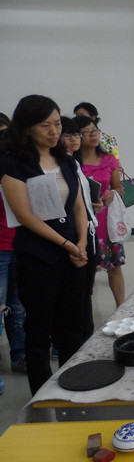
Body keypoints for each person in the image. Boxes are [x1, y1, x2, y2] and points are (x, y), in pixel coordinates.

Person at [0, 95, 88, 394]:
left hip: (73, 255)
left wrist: (81, 243)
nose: (54, 131)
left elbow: (78, 205)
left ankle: (72, 388)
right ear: (27, 128)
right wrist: (67, 244)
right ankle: (42, 395)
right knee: (39, 329)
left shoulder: (67, 160)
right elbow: (25, 216)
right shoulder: (14, 164)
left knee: (72, 327)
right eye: (45, 125)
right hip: (38, 258)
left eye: (57, 124)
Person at [74, 115, 125, 306]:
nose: (92, 135)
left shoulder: (109, 160)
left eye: (94, 130)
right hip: (83, 223)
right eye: (86, 132)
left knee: (114, 268)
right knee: (85, 272)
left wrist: (112, 194)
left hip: (106, 222)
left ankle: (121, 308)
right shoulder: (72, 163)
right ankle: (84, 311)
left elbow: (118, 188)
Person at [59, 117, 102, 340]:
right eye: (67, 134)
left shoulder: (74, 162)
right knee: (75, 292)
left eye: (76, 134)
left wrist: (94, 205)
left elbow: (80, 200)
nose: (74, 139)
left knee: (86, 290)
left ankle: (87, 336)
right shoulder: (58, 165)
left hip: (89, 231)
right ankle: (75, 340)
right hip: (74, 234)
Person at [0, 114, 27, 396]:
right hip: (0, 251)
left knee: (18, 307)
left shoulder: (18, 169)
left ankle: (20, 356)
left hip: (20, 247)